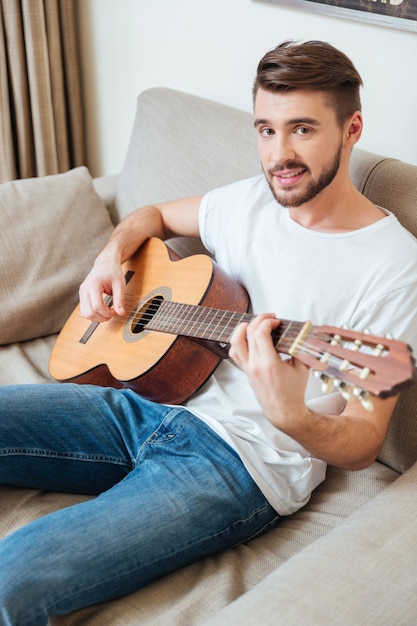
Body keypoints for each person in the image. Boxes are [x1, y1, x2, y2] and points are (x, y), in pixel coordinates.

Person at [1, 40, 417, 625]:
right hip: (145, 404)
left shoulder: (395, 266)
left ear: (351, 129)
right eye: (266, 130)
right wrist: (107, 261)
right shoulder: (249, 201)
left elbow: (365, 439)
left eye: (302, 129)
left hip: (238, 464)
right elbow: (152, 217)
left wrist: (291, 413)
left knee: (13, 576)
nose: (280, 154)